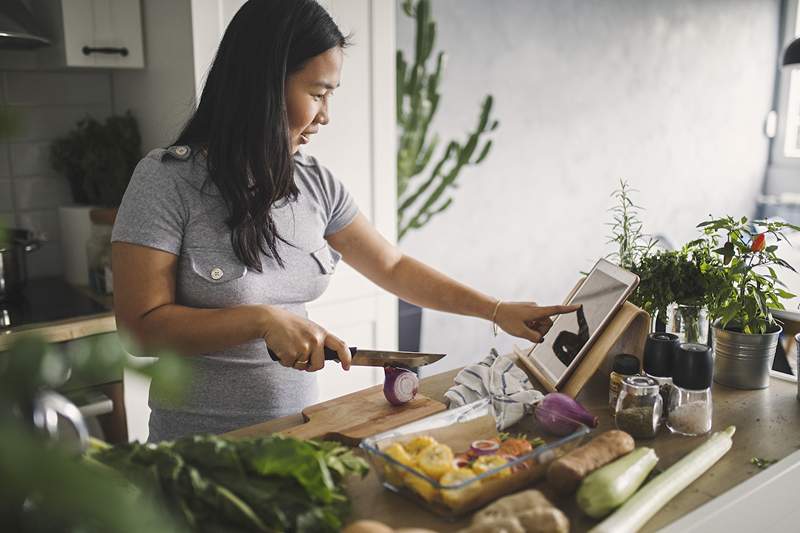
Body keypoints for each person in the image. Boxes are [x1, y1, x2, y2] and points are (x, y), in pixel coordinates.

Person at [111, 0, 578, 441]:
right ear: (262, 86)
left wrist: (497, 311)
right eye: (317, 93)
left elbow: (392, 267)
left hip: (299, 437)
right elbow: (139, 328)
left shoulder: (316, 184)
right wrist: (260, 320)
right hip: (198, 451)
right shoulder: (166, 180)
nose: (325, 116)